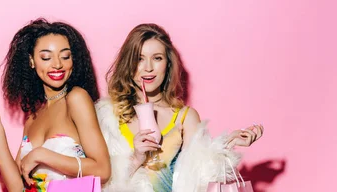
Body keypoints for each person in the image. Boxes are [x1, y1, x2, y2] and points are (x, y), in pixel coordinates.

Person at [96, 23, 264, 192]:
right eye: (139, 58)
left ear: (168, 64)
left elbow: (200, 178)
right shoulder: (108, 115)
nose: (148, 67)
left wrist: (227, 145)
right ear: (128, 63)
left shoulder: (185, 118)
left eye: (157, 58)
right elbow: (100, 183)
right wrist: (136, 158)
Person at [0, 18, 111, 192]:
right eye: (46, 57)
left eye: (65, 56)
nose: (58, 64)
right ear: (31, 61)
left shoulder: (76, 98)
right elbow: (16, 187)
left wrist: (42, 155)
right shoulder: (34, 115)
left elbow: (103, 170)